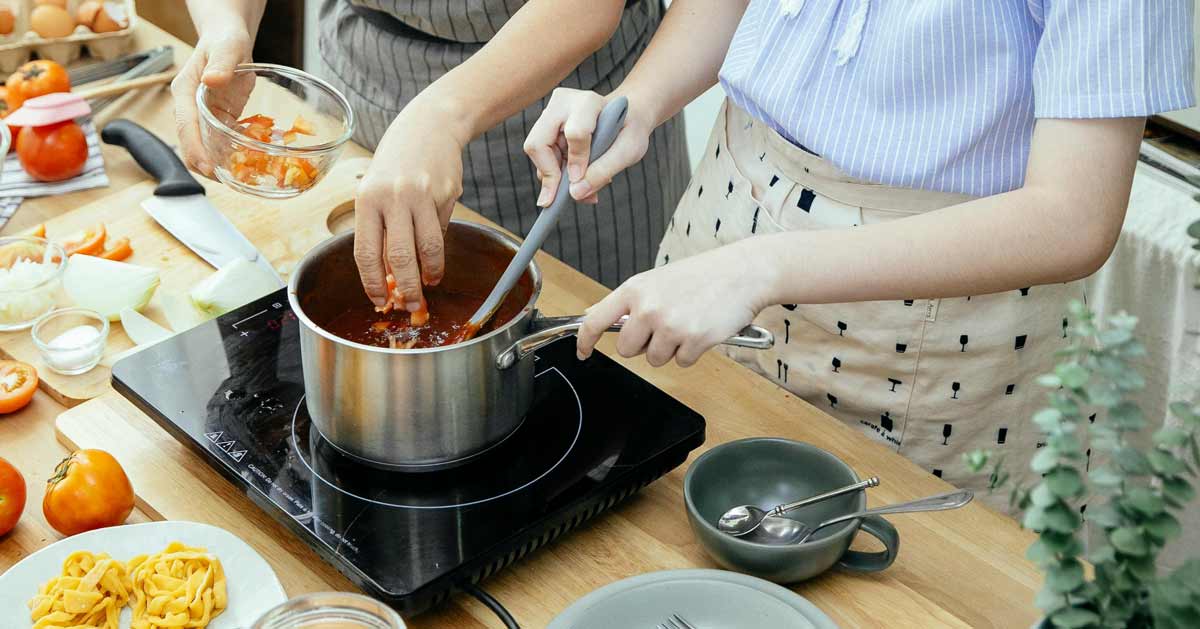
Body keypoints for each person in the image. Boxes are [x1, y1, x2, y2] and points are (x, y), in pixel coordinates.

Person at [525, 0, 1194, 509]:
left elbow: (1073, 216)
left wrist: (762, 268)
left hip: (937, 315)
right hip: (726, 213)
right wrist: (635, 104)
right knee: (656, 518)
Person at [171, 0, 690, 312]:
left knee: (584, 331)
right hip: (366, 67)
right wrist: (226, 25)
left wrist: (441, 116)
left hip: (564, 101)